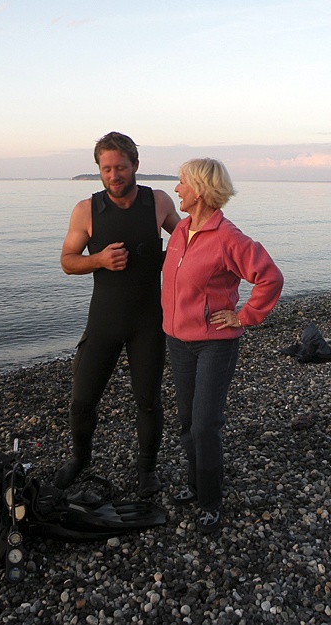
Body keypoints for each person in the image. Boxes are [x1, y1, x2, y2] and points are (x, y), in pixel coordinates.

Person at [54, 131, 180, 497]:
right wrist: (98, 260)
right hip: (104, 321)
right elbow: (67, 261)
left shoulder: (157, 202)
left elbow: (191, 241)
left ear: (135, 166)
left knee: (148, 400)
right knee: (82, 401)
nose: (114, 175)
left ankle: (147, 470)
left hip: (148, 322)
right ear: (99, 170)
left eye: (120, 167)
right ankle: (80, 459)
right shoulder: (86, 210)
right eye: (106, 168)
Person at [161, 158, 283, 533]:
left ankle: (211, 501)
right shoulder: (181, 229)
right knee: (187, 422)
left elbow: (270, 277)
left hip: (215, 345)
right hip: (178, 342)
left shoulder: (228, 236)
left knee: (205, 426)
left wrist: (243, 316)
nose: (177, 189)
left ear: (199, 189)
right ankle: (195, 485)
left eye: (182, 183)